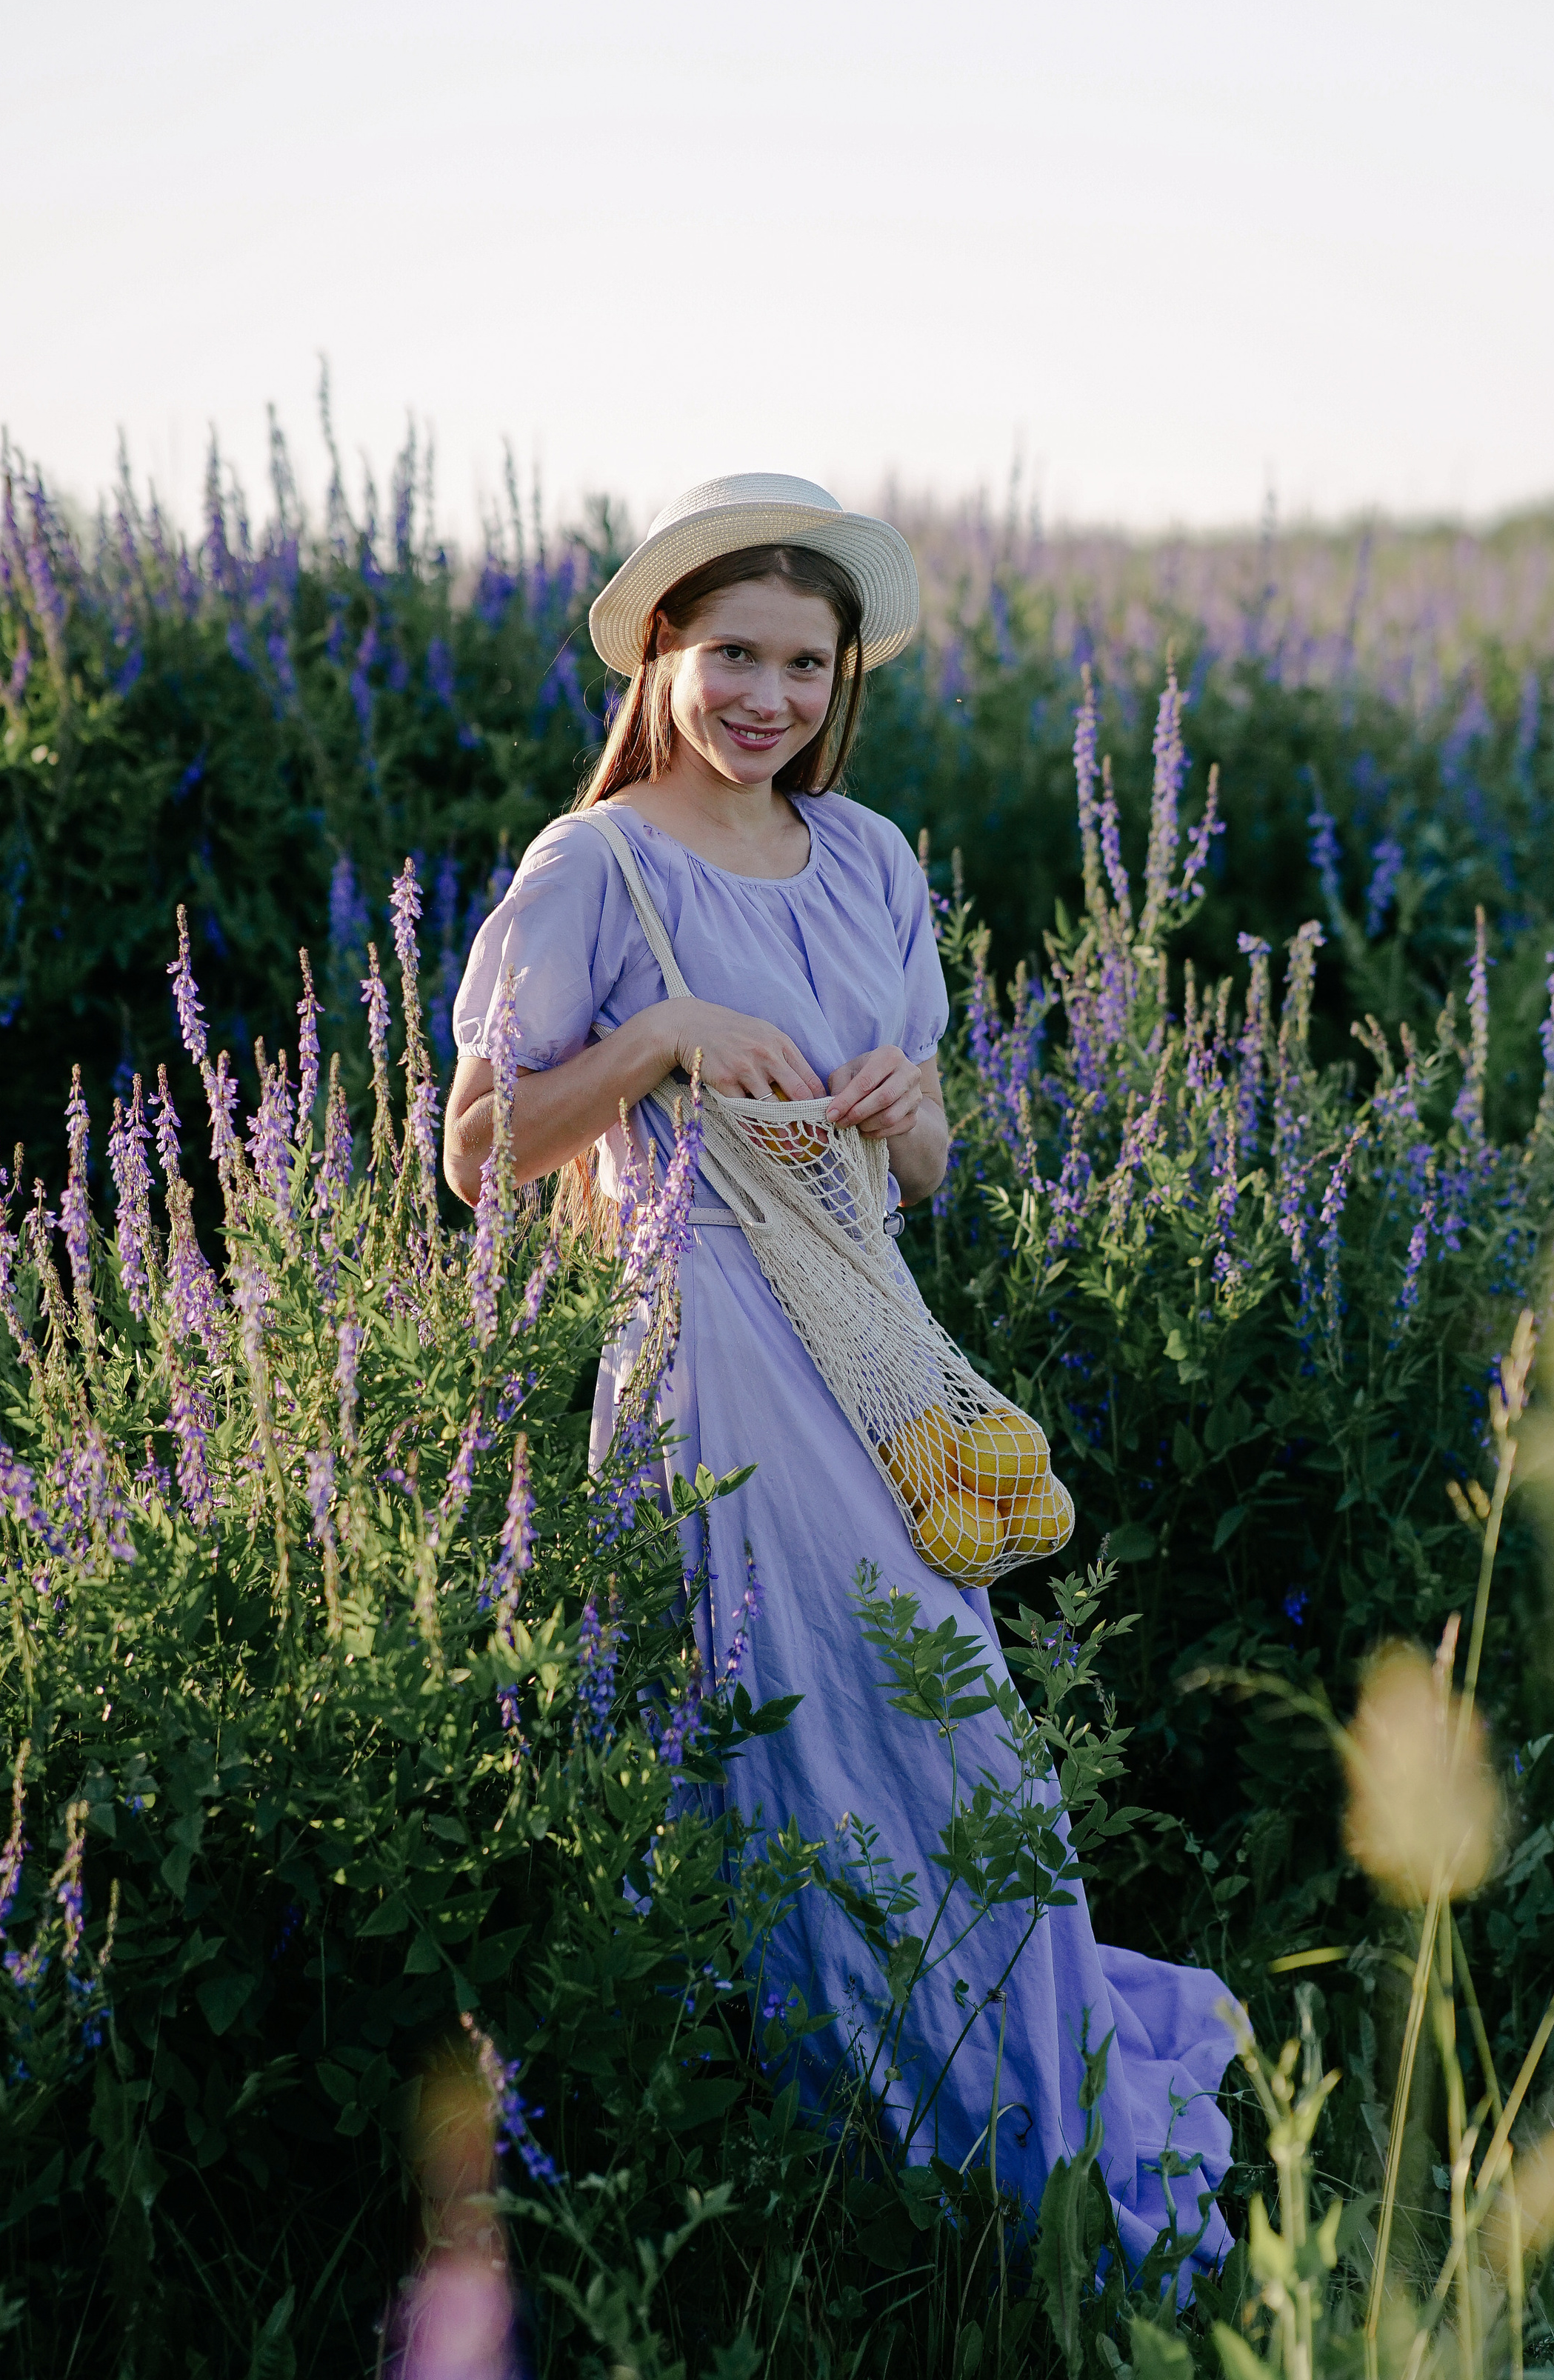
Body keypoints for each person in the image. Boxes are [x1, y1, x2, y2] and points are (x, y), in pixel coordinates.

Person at [446, 472, 1233, 2268]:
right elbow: (477, 1153)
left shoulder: (870, 855)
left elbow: (930, 1161)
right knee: (780, 1752)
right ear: (662, 651)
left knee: (949, 1748)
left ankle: (993, 2167)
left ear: (838, 677)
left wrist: (905, 1104)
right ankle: (829, 2195)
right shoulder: (594, 865)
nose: (767, 700)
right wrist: (653, 1039)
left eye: (803, 664)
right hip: (711, 1354)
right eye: (733, 654)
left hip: (869, 1351)